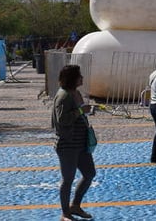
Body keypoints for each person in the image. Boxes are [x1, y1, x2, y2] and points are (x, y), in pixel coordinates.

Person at [47, 64, 94, 221]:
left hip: (81, 143)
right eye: (79, 75)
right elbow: (62, 120)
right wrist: (81, 111)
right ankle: (65, 213)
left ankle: (75, 205)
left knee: (89, 173)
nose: (82, 77)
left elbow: (79, 112)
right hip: (67, 144)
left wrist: (85, 111)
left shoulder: (76, 93)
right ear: (72, 78)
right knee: (67, 179)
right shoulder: (64, 96)